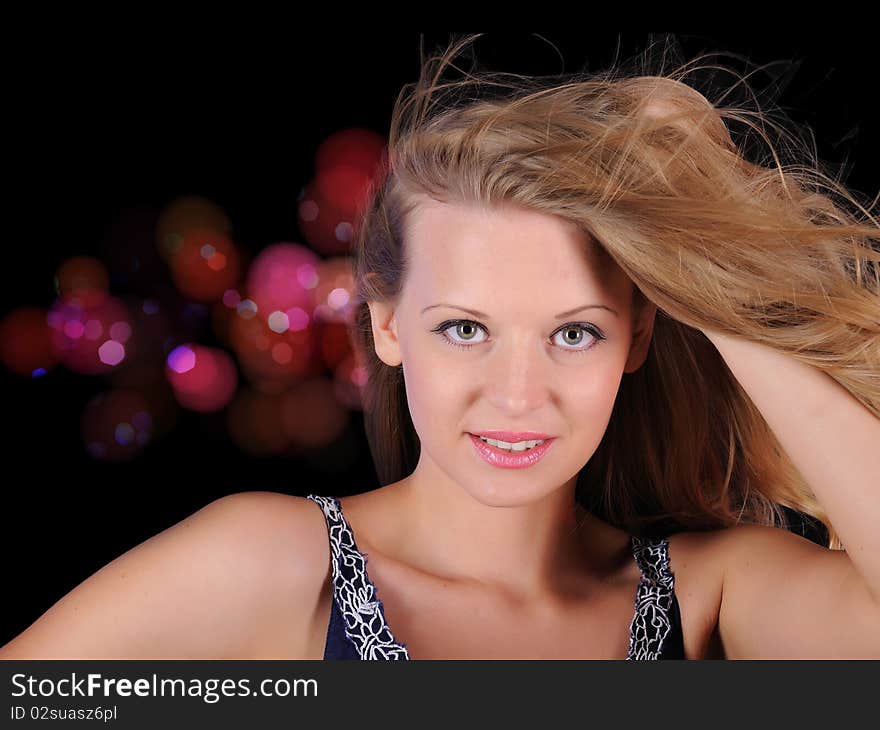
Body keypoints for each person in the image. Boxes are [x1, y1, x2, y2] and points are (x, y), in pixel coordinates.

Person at [2, 33, 879, 660]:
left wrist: (705, 269)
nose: (517, 395)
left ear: (639, 336)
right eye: (465, 329)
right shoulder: (274, 565)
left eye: (575, 333)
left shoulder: (707, 597)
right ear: (386, 324)